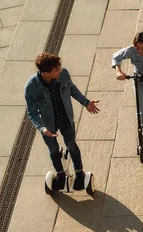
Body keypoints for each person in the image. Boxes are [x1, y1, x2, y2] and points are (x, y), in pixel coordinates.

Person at [25, 52, 99, 190]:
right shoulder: (31, 88)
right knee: (53, 150)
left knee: (71, 145)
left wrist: (86, 102)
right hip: (48, 124)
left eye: (59, 67)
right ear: (45, 73)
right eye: (56, 70)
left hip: (65, 117)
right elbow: (32, 113)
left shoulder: (63, 73)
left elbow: (71, 88)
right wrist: (42, 128)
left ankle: (79, 172)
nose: (60, 71)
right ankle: (60, 174)